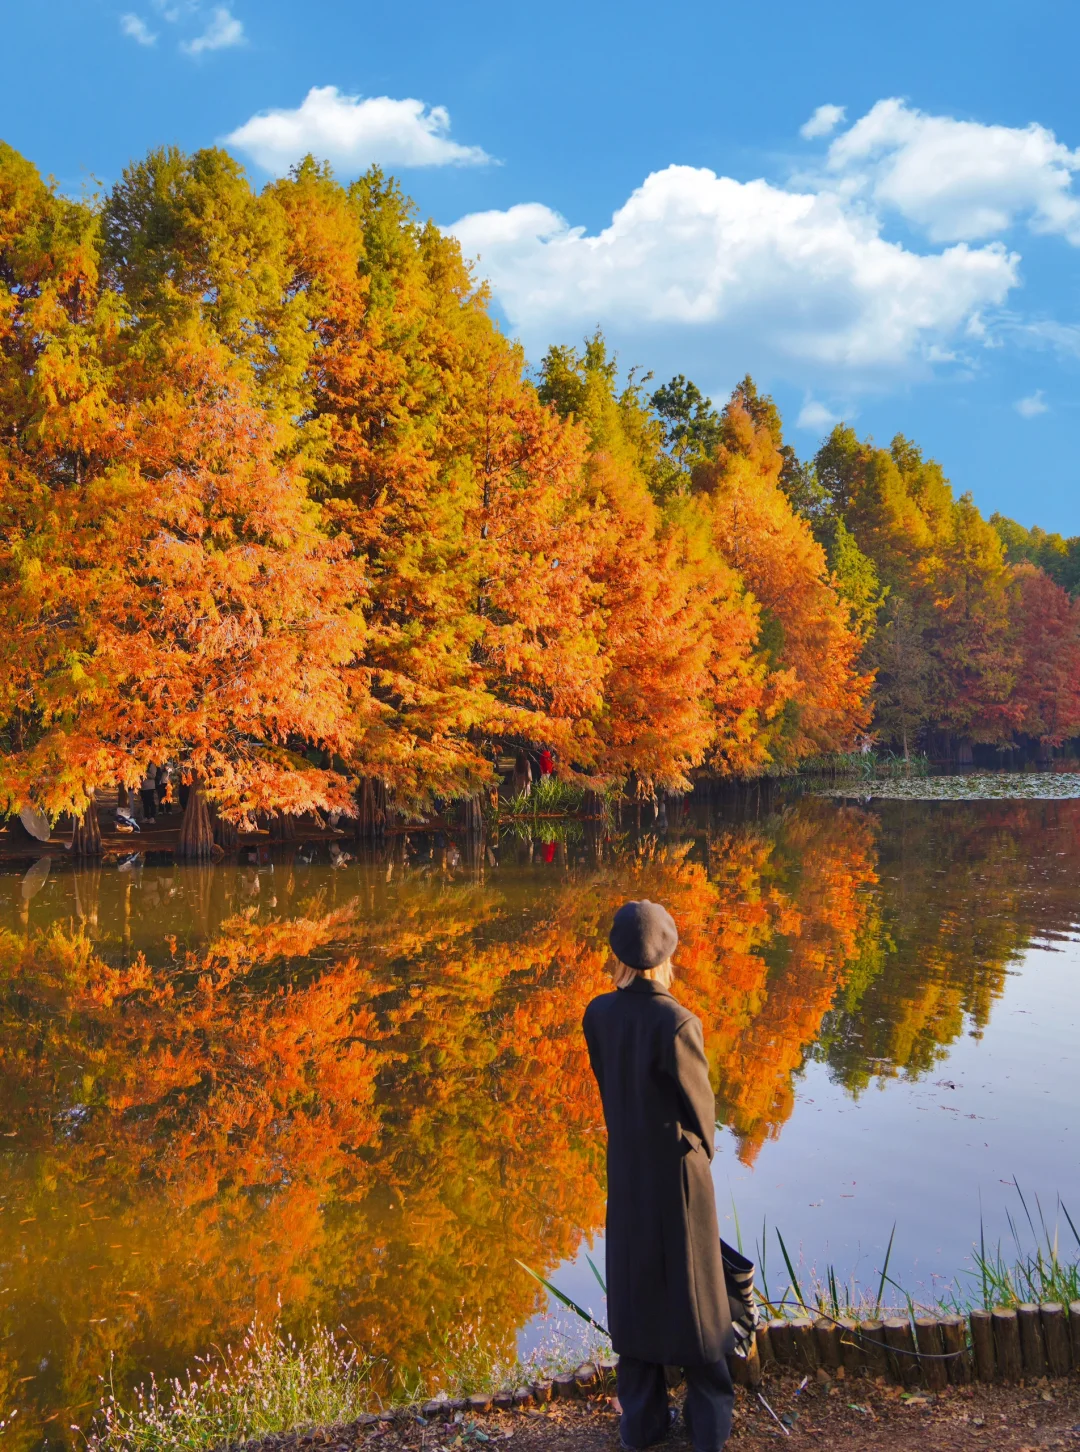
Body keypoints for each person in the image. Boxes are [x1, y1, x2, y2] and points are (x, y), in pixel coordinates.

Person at [583, 900, 733, 1452]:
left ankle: (643, 1426)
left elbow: (610, 1083)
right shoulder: (678, 1023)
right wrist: (703, 1158)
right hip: (678, 1178)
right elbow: (701, 1118)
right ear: (669, 954)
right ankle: (707, 1427)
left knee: (636, 1287)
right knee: (700, 1302)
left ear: (617, 955)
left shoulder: (597, 1015)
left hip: (625, 1171)